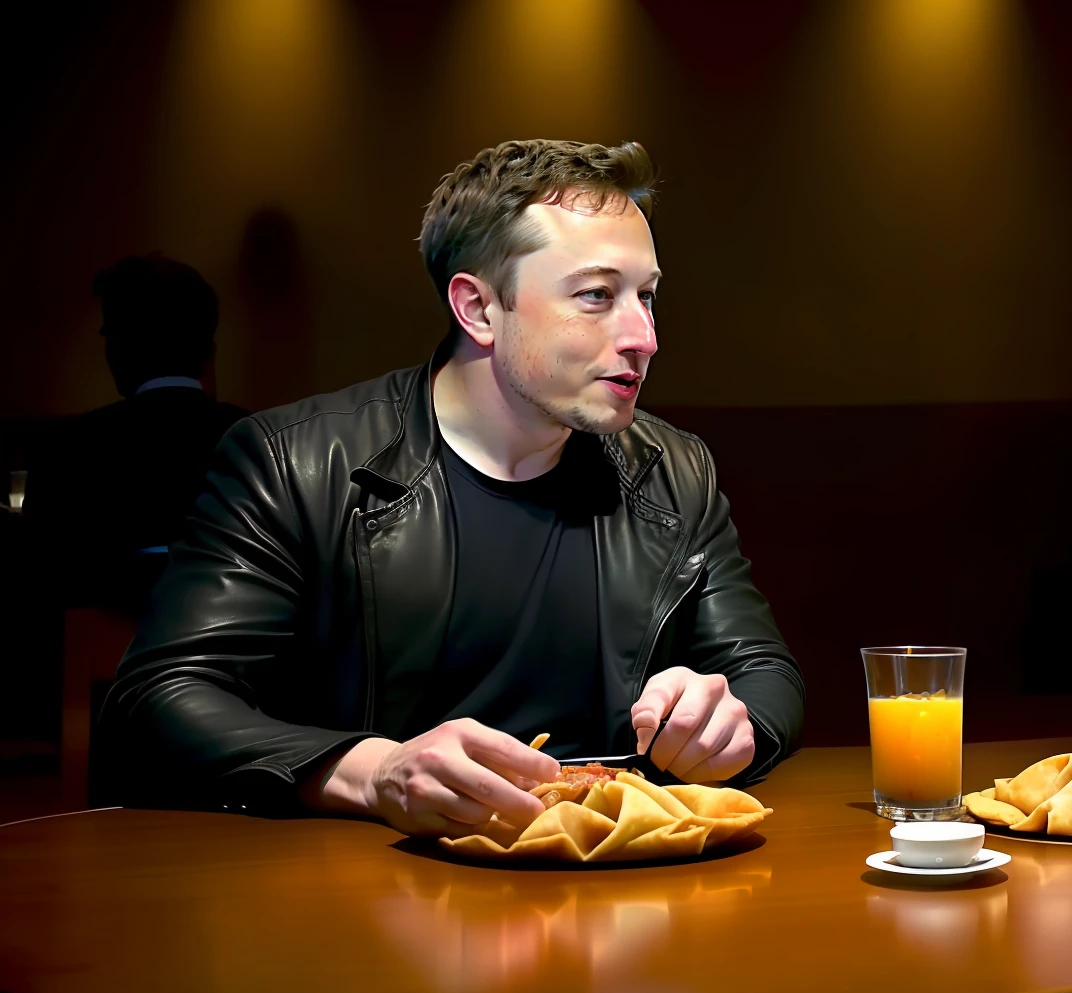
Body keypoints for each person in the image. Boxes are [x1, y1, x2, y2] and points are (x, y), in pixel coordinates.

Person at [97, 140, 805, 839]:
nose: (643, 336)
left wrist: (729, 722)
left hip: (614, 883)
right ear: (478, 309)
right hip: (371, 891)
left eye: (646, 296)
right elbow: (157, 702)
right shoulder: (295, 463)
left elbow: (764, 671)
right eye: (596, 295)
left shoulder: (674, 470)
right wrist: (372, 771)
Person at [25, 254, 246, 609]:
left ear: (118, 347)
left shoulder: (64, 449)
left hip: (96, 658)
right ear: (208, 346)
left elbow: (40, 581)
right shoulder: (259, 442)